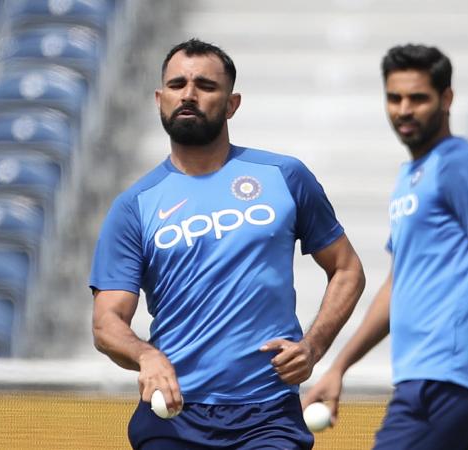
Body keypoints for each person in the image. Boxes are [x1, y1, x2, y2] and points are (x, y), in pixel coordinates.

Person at [89, 38, 365, 450]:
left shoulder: (285, 176)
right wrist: (147, 356)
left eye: (205, 85)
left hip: (268, 416)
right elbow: (106, 322)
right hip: (173, 416)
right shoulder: (134, 206)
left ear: (232, 104)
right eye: (177, 83)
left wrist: (314, 345)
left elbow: (347, 269)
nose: (189, 94)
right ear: (159, 98)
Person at [302, 44, 468, 449]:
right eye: (394, 98)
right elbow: (400, 284)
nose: (404, 109)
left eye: (418, 98)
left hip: (447, 377)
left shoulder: (461, 164)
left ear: (446, 98)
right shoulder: (411, 175)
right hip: (423, 378)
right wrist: (338, 367)